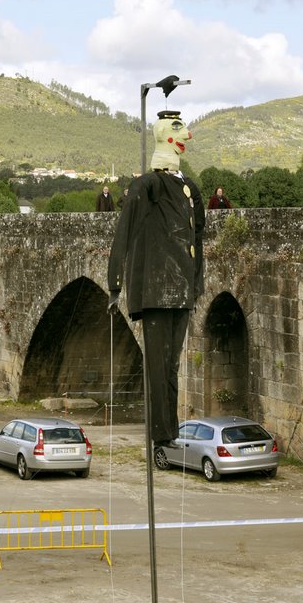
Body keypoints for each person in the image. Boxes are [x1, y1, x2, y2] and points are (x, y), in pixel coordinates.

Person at [108, 110, 205, 447]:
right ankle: (160, 433)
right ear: (166, 136)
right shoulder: (146, 186)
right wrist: (115, 283)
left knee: (171, 365)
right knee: (158, 366)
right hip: (155, 291)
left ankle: (170, 431)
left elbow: (197, 240)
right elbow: (125, 232)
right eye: (179, 130)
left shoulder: (189, 188)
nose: (186, 136)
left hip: (181, 292)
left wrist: (195, 286)